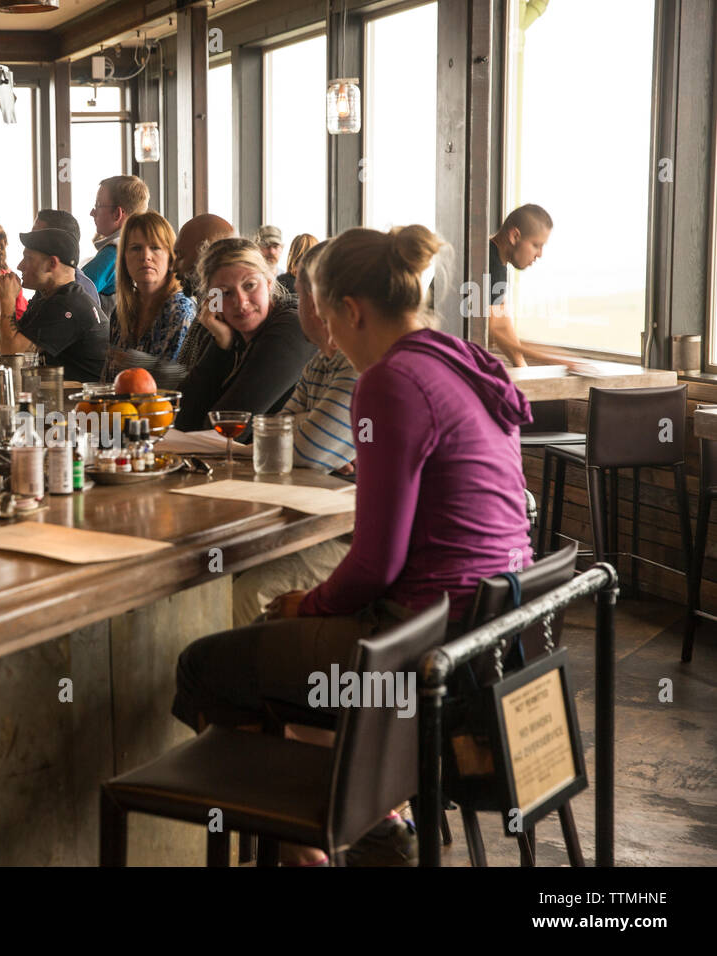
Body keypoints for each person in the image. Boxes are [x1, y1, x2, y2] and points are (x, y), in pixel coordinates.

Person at [174, 224, 534, 865]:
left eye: (328, 317)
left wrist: (306, 605)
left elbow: (375, 564)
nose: (328, 338)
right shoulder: (461, 357)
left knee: (206, 669)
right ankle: (333, 829)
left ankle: (351, 837)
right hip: (491, 633)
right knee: (283, 653)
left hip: (414, 655)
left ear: (351, 309)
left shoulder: (389, 379)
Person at [230, 239, 358, 627]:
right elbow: (267, 440)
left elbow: (305, 450)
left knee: (246, 590)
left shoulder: (362, 361)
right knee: (224, 571)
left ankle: (254, 685)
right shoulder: (324, 360)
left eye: (299, 296)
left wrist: (303, 432)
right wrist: (309, 429)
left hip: (357, 537)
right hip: (334, 523)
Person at [173, 238, 315, 437]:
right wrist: (221, 345)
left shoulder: (291, 328)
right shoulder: (228, 334)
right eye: (225, 293)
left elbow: (227, 430)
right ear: (212, 300)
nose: (241, 302)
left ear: (268, 282)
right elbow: (182, 419)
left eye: (249, 285)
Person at [0, 227, 108, 384]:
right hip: (56, 397)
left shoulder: (68, 304)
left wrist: (7, 300)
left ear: (52, 263)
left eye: (28, 258)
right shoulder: (46, 298)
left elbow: (12, 355)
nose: (19, 266)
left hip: (82, 404)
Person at [105, 211, 196, 382]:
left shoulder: (180, 308)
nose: (145, 256)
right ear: (124, 258)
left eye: (155, 248)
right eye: (136, 248)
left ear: (171, 257)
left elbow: (174, 383)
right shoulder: (120, 312)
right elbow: (108, 381)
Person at [487, 203, 566, 367]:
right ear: (515, 236)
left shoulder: (497, 263)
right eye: (536, 245)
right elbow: (492, 332)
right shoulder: (487, 264)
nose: (540, 254)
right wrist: (553, 360)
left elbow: (502, 325)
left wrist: (521, 365)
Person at [171, 214, 236, 371]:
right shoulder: (207, 308)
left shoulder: (223, 316)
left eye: (180, 255)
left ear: (207, 254)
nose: (173, 268)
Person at [82, 175, 149, 317]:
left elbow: (74, 293)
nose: (92, 213)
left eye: (97, 206)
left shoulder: (113, 253)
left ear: (117, 213)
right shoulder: (142, 248)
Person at [32, 209, 100, 306]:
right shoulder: (48, 281)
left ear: (59, 242)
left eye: (36, 237)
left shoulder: (80, 289)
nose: (30, 243)